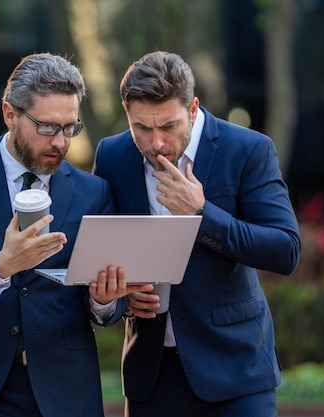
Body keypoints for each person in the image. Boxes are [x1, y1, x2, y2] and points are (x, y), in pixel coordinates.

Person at [0, 53, 150, 417]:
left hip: (65, 386)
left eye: (70, 127)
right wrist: (0, 266)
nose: (60, 141)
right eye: (47, 127)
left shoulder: (94, 192)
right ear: (10, 114)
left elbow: (105, 307)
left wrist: (105, 299)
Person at [93, 51, 301, 417]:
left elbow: (285, 250)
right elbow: (99, 253)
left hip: (236, 370)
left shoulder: (248, 149)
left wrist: (201, 214)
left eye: (168, 126)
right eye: (142, 128)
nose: (156, 142)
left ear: (192, 110)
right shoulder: (112, 156)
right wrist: (116, 299)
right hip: (151, 376)